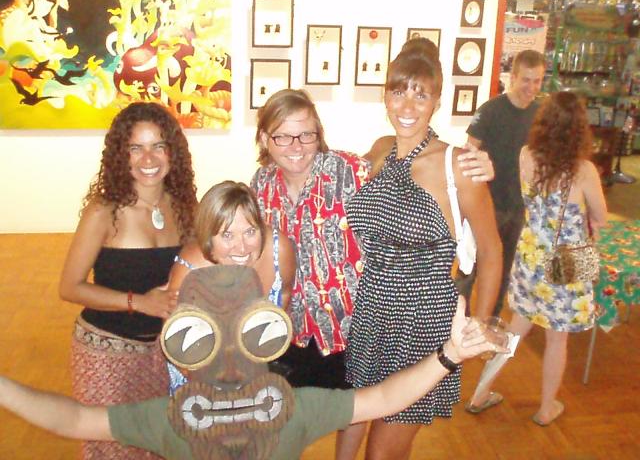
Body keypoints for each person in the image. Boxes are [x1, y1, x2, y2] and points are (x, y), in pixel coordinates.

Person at [0, 265, 507, 460]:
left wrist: (449, 355)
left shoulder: (176, 417)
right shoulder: (286, 408)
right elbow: (380, 400)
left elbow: (75, 420)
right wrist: (447, 357)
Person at [250, 87, 496, 459]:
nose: (295, 146)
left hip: (354, 326)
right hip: (291, 328)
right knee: (284, 424)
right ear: (264, 139)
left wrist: (474, 166)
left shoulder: (351, 171)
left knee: (358, 411)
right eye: (282, 136)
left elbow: (414, 164)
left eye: (306, 134)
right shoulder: (260, 186)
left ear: (319, 134)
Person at [344, 37, 502, 459]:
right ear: (385, 96)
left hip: (422, 323)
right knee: (351, 419)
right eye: (399, 91)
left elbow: (491, 252)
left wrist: (481, 323)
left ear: (436, 101)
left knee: (382, 453)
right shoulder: (380, 151)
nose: (408, 105)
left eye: (421, 94)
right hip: (370, 310)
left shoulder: (459, 165)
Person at [58, 101, 198, 459]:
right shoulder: (104, 212)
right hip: (106, 353)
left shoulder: (184, 208)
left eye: (158, 146)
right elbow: (70, 287)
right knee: (113, 449)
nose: (148, 158)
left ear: (173, 152)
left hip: (164, 354)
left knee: (159, 447)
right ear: (122, 155)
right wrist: (139, 302)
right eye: (136, 148)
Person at [464, 91, 607, 426]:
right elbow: (601, 215)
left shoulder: (526, 155)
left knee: (515, 328)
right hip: (568, 260)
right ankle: (546, 408)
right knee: (557, 339)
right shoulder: (584, 170)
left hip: (530, 254)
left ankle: (479, 394)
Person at [166, 180, 296, 392]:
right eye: (227, 235)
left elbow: (284, 298)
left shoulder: (278, 250)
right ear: (208, 237)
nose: (242, 247)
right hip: (200, 381)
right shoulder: (190, 271)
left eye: (250, 232)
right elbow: (177, 346)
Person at [456, 49, 546, 316]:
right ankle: (455, 320)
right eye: (526, 80)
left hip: (518, 206)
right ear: (513, 77)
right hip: (485, 203)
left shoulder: (541, 115)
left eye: (537, 81)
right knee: (470, 267)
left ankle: (490, 321)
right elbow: (468, 153)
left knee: (504, 269)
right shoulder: (490, 111)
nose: (532, 87)